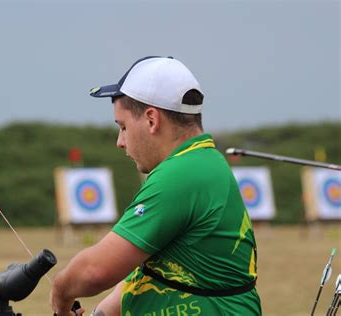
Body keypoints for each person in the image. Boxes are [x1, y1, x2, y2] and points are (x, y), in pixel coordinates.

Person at [51, 56, 261, 315]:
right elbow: (153, 272)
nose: (120, 141)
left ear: (151, 119)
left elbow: (95, 271)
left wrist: (60, 294)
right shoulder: (200, 161)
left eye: (123, 126)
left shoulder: (183, 173)